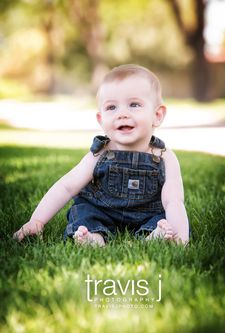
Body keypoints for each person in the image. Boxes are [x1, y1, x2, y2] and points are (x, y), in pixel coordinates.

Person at [13, 64, 189, 246]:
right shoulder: (99, 154)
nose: (122, 114)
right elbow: (67, 186)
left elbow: (173, 201)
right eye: (112, 107)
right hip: (102, 212)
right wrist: (37, 220)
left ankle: (155, 235)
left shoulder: (164, 157)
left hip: (146, 214)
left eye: (134, 104)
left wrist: (181, 237)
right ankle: (93, 238)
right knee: (85, 215)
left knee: (163, 219)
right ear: (101, 119)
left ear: (157, 115)